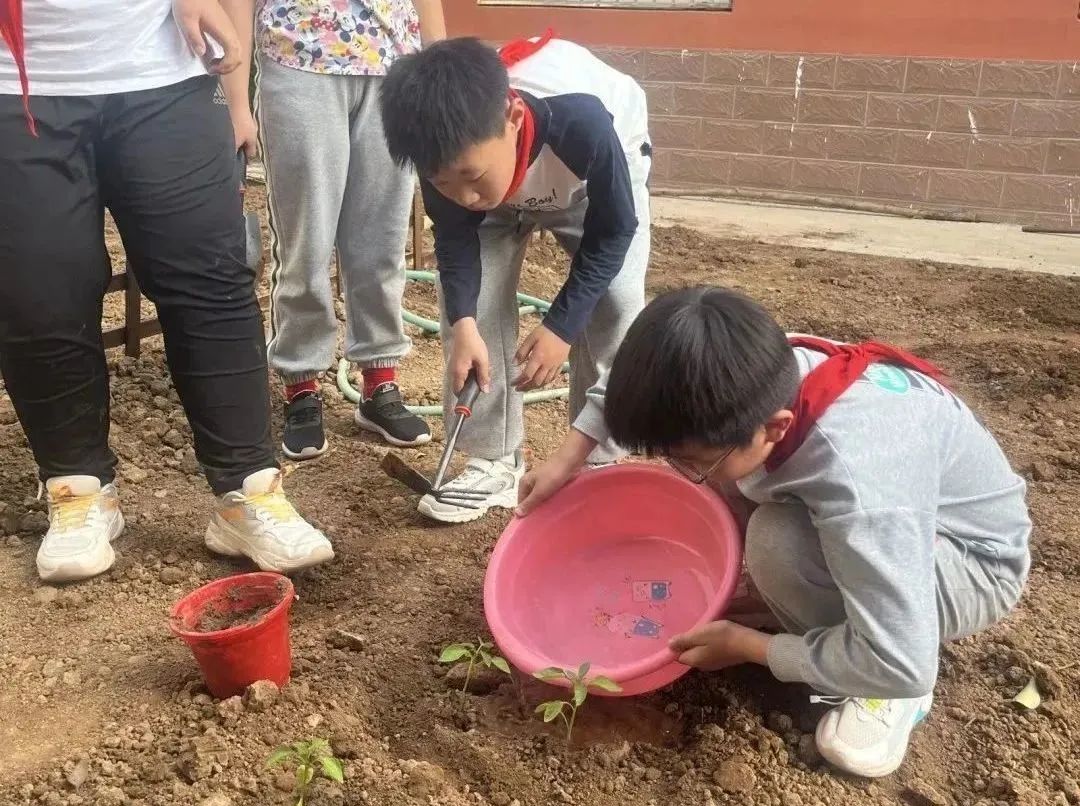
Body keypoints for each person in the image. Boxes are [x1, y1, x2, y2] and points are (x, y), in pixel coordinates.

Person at [516, 287, 1031, 778]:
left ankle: (880, 686)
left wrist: (750, 647)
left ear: (777, 427)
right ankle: (808, 604)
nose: (682, 472)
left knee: (777, 543)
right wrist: (567, 459)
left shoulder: (861, 483)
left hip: (967, 564)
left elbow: (903, 662)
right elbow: (641, 384)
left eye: (690, 460)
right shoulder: (743, 370)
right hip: (891, 524)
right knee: (731, 478)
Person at [0, 0, 333, 582]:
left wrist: (236, 101)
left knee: (211, 280)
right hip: (15, 83)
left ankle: (249, 491)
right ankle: (79, 491)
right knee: (37, 291)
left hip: (166, 72)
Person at [379, 34, 651, 523]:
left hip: (585, 183)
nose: (463, 196)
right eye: (444, 183)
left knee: (615, 302)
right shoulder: (444, 155)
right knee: (469, 309)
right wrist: (464, 324)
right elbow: (456, 241)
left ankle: (598, 458)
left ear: (514, 118)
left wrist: (561, 327)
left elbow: (614, 232)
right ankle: (493, 459)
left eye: (470, 176)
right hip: (504, 190)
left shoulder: (584, 122)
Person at [235, 0, 445, 461]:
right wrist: (235, 100)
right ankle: (301, 386)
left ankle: (380, 382)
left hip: (394, 64)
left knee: (382, 241)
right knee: (305, 243)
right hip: (299, 55)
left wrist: (438, 69)